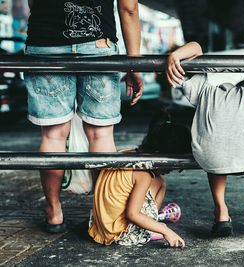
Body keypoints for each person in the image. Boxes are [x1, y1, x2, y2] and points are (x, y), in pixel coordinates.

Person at [24, 0, 144, 234]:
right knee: (100, 133)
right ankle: (104, 213)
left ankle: (54, 212)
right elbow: (128, 8)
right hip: (97, 45)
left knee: (53, 135)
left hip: (46, 42)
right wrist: (135, 65)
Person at [166, 41, 244, 236]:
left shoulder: (202, 91)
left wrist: (175, 55)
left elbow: (197, 48)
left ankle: (221, 212)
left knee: (214, 145)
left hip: (209, 158)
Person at [88, 119, 191, 247]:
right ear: (159, 155)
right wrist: (166, 231)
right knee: (160, 183)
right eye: (168, 168)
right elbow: (132, 214)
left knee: (158, 180)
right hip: (120, 234)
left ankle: (151, 223)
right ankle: (150, 227)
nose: (168, 172)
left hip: (100, 227)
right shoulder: (143, 174)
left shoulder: (127, 153)